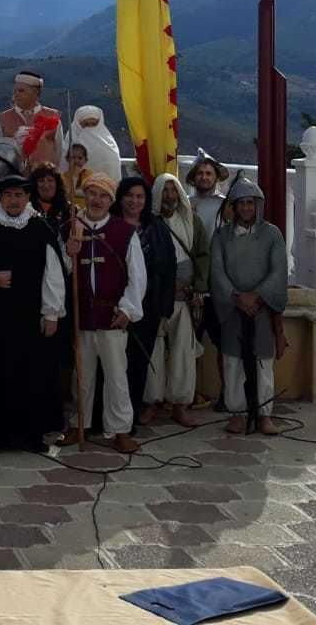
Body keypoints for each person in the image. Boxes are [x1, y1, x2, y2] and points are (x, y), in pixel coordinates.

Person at [0, 173, 66, 451]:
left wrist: (52, 313)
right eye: (8, 195)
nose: (13, 200)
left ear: (27, 197)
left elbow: (53, 274)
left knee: (32, 377)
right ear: (0, 198)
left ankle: (31, 436)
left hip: (30, 318)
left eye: (19, 195)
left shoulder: (40, 229)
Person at [62, 174, 146, 452]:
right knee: (81, 375)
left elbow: (137, 276)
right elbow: (60, 273)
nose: (97, 200)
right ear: (85, 196)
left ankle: (120, 429)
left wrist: (128, 310)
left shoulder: (123, 232)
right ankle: (79, 424)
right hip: (82, 314)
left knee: (116, 375)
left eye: (103, 195)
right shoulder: (73, 227)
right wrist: (69, 253)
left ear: (111, 200)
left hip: (112, 316)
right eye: (92, 194)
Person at [209, 173, 288, 436]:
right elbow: (217, 272)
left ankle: (264, 414)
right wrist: (236, 296)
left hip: (261, 308)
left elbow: (278, 271)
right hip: (233, 308)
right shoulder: (221, 236)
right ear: (233, 206)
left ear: (258, 205)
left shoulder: (272, 234)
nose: (246, 208)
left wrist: (257, 295)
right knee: (233, 361)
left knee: (263, 361)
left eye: (250, 203)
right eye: (240, 203)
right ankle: (238, 413)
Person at [142, 172, 209, 427]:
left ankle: (180, 404)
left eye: (173, 190)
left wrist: (196, 287)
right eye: (165, 191)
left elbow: (202, 256)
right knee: (154, 350)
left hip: (185, 296)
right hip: (156, 296)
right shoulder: (149, 223)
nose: (169, 196)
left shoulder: (192, 221)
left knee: (183, 351)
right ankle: (152, 402)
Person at [127, 174, 180, 436]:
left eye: (140, 197)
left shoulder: (157, 227)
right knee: (114, 363)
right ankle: (109, 414)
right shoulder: (111, 224)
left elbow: (168, 267)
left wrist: (164, 307)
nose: (134, 201)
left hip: (149, 305)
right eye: (129, 196)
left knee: (139, 361)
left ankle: (130, 415)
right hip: (116, 307)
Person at [0, 71, 64, 169]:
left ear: (35, 93)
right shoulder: (4, 118)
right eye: (15, 91)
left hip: (44, 179)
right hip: (15, 179)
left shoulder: (52, 117)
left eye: (21, 91)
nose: (16, 94)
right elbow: (0, 152)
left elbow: (60, 152)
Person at [69, 106, 123, 184]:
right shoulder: (70, 141)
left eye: (93, 124)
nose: (90, 128)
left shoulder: (109, 145)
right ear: (78, 124)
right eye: (86, 124)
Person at [185, 150, 229, 238]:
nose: (204, 177)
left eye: (208, 173)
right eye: (200, 173)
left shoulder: (225, 205)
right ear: (194, 177)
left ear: (216, 177)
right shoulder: (185, 202)